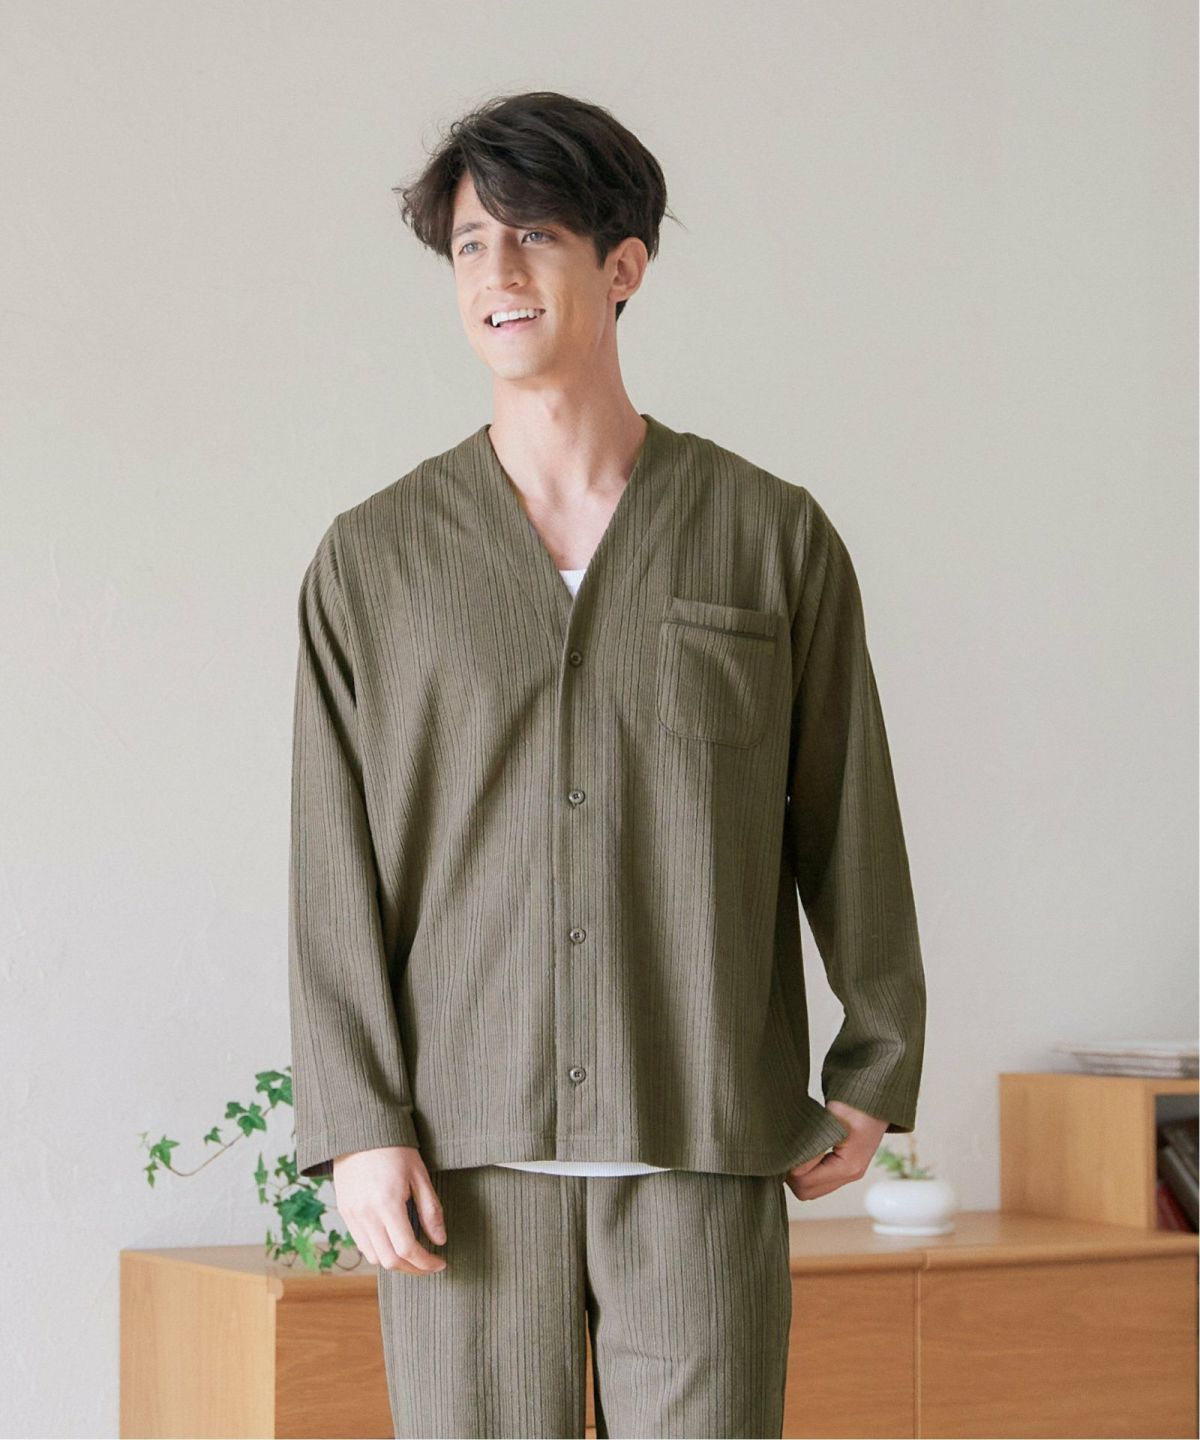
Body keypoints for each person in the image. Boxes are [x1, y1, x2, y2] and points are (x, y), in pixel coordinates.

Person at [287, 89, 926, 1440]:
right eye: (471, 244)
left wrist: (876, 1066)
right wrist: (358, 1123)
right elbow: (333, 867)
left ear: (623, 265)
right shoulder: (374, 560)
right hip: (462, 1161)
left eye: (534, 236)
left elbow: (849, 814)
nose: (497, 273)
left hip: (697, 1138)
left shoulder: (771, 539)